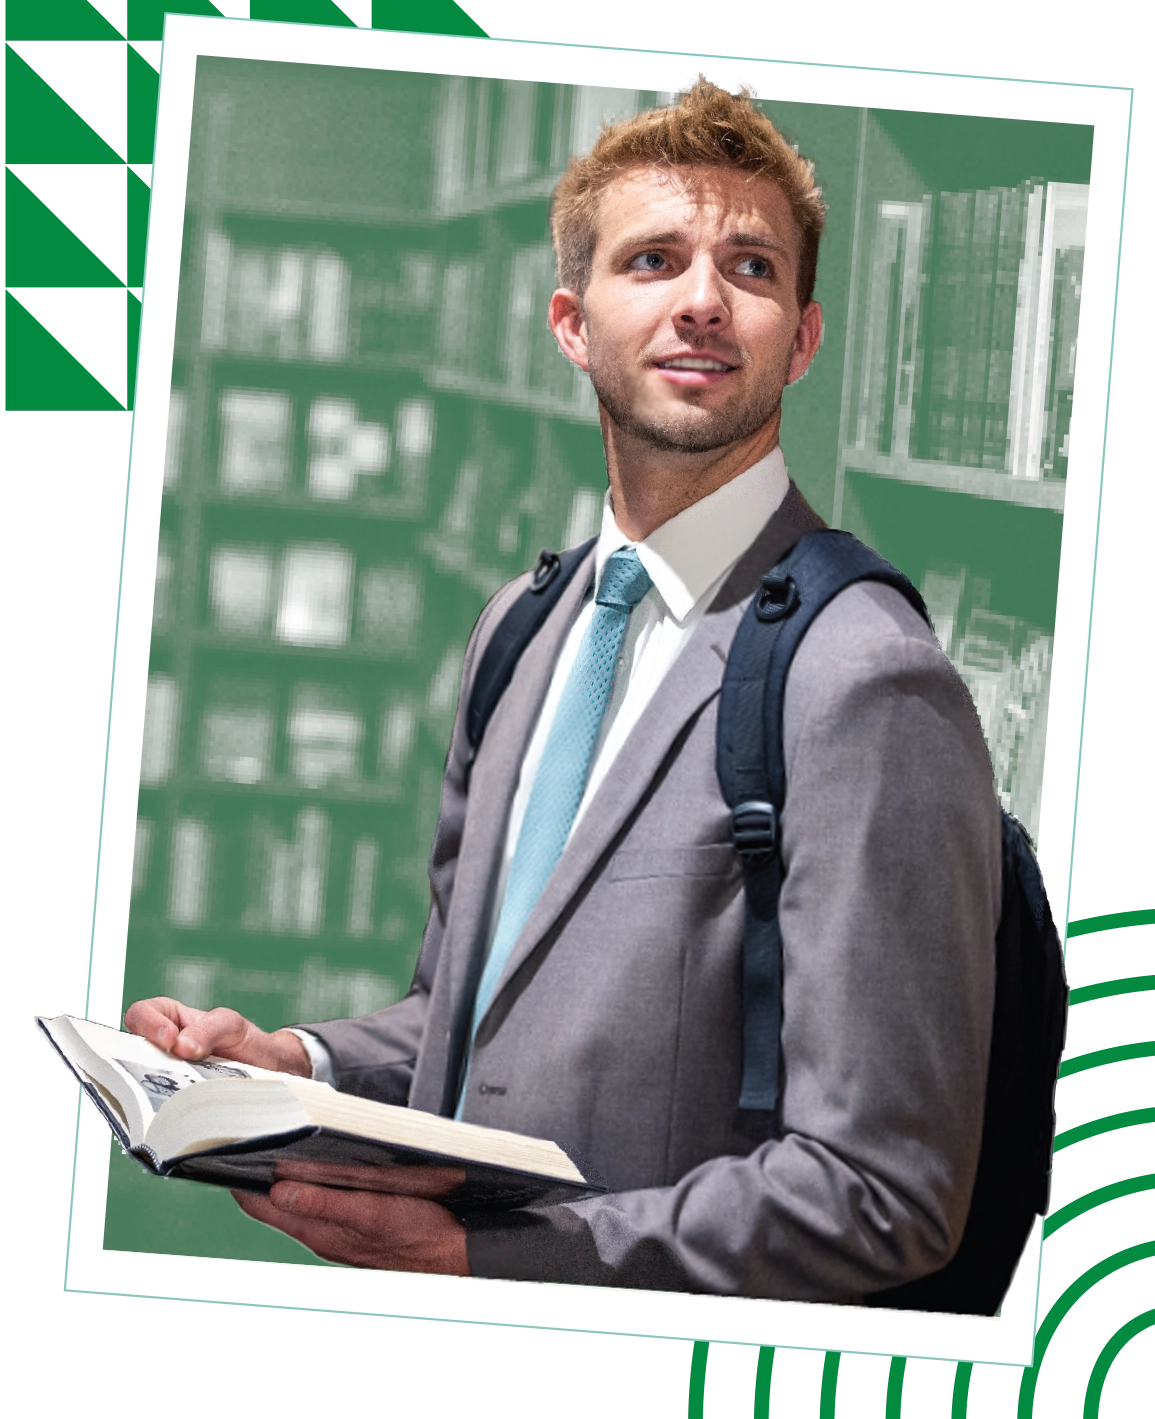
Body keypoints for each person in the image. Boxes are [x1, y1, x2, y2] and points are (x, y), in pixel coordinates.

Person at [126, 79, 1001, 1301]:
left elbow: (883, 1196)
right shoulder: (523, 627)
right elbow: (476, 1017)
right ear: (570, 324)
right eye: (654, 259)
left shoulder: (864, 680)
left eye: (750, 268)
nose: (702, 300)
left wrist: (497, 1255)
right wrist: (299, 1059)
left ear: (801, 338)